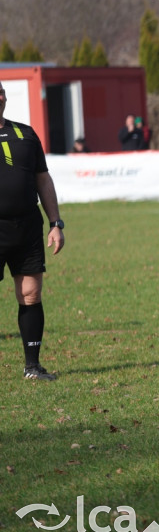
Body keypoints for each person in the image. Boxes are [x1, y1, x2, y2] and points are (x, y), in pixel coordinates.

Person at [0, 83, 65, 380]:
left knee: (31, 294)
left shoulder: (25, 134)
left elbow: (43, 180)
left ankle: (33, 367)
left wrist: (55, 223)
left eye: (1, 91)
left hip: (26, 227)